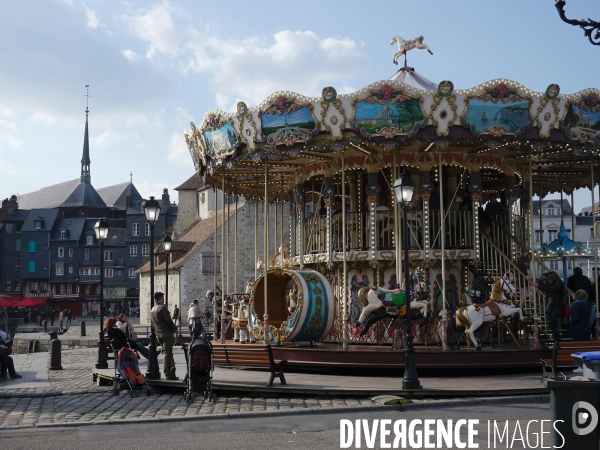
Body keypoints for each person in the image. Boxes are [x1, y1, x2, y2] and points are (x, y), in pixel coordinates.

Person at [150, 292, 178, 380]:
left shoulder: (153, 309)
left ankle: (172, 370)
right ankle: (167, 373)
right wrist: (174, 328)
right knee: (167, 353)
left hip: (159, 334)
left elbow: (152, 323)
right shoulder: (163, 308)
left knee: (168, 353)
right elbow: (168, 320)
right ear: (161, 298)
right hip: (166, 333)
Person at [532, 271, 565, 343]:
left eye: (549, 280)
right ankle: (557, 338)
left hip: (558, 305)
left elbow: (550, 289)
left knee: (552, 322)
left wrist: (538, 285)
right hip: (555, 304)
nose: (548, 281)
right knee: (552, 322)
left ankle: (557, 339)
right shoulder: (556, 283)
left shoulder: (558, 284)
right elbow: (547, 287)